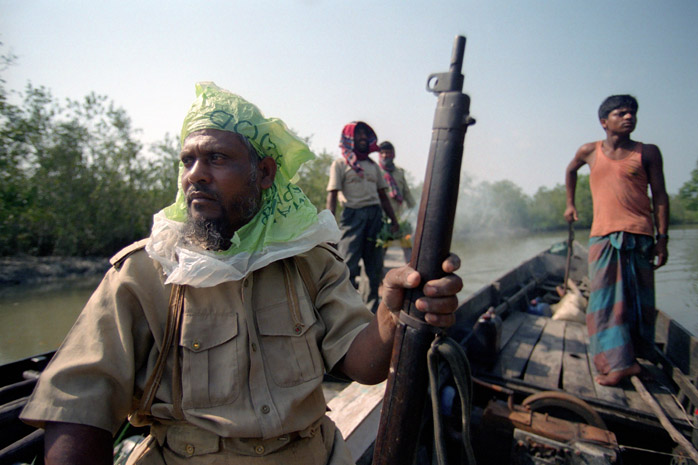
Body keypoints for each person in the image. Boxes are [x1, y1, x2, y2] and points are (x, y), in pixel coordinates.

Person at [20, 82, 463, 465]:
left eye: (216, 158)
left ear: (264, 173)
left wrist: (393, 310)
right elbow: (77, 407)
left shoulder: (309, 262)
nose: (196, 175)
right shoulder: (145, 273)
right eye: (187, 160)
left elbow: (364, 366)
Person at [564, 94, 669, 386]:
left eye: (632, 113)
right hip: (604, 236)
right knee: (606, 302)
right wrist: (570, 204)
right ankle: (617, 364)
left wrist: (663, 239)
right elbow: (571, 170)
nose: (629, 117)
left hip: (641, 236)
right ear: (604, 122)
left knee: (638, 302)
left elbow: (660, 196)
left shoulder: (647, 152)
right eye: (621, 113)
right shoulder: (589, 150)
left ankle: (633, 359)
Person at [326, 122, 400, 313]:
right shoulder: (340, 164)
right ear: (349, 138)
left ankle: (371, 309)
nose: (362, 138)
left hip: (375, 216)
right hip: (353, 217)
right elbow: (332, 194)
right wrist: (329, 225)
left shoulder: (373, 166)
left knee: (374, 267)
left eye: (365, 135)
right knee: (347, 264)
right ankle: (346, 311)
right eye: (358, 134)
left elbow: (383, 195)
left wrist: (394, 220)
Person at [377, 141, 417, 263]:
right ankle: (377, 280)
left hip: (399, 219)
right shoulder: (375, 171)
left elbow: (406, 193)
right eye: (382, 153)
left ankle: (412, 275)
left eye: (388, 153)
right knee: (379, 251)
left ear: (393, 155)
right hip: (381, 218)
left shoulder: (399, 172)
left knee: (408, 248)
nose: (385, 155)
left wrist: (416, 210)